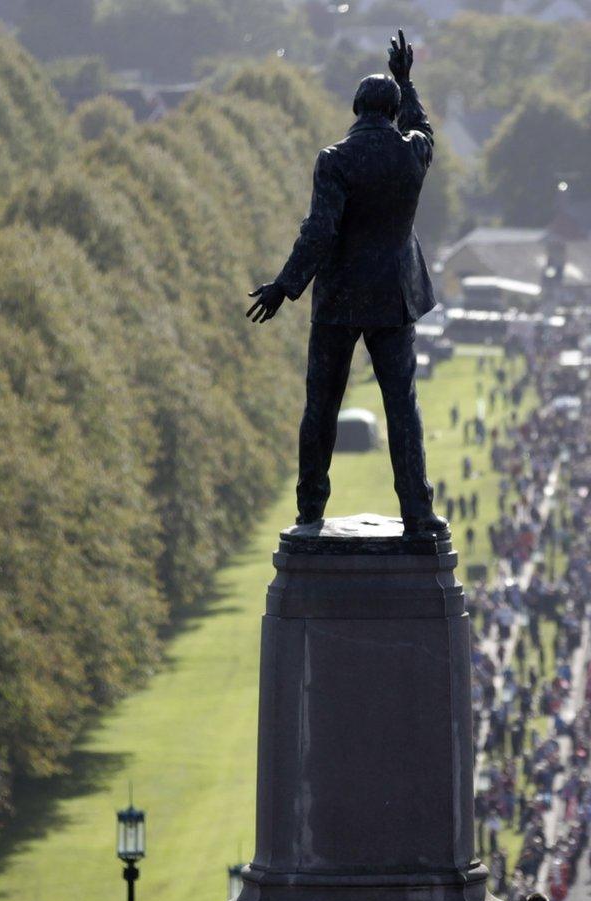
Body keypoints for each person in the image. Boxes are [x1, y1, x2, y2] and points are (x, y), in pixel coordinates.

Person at [247, 29, 446, 540]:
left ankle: (310, 509)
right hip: (395, 297)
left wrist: (284, 286)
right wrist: (407, 81)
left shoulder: (335, 159)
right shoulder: (413, 154)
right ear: (392, 108)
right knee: (402, 406)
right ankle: (418, 512)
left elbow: (321, 231)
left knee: (322, 407)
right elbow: (422, 126)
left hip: (339, 297)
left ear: (356, 109)